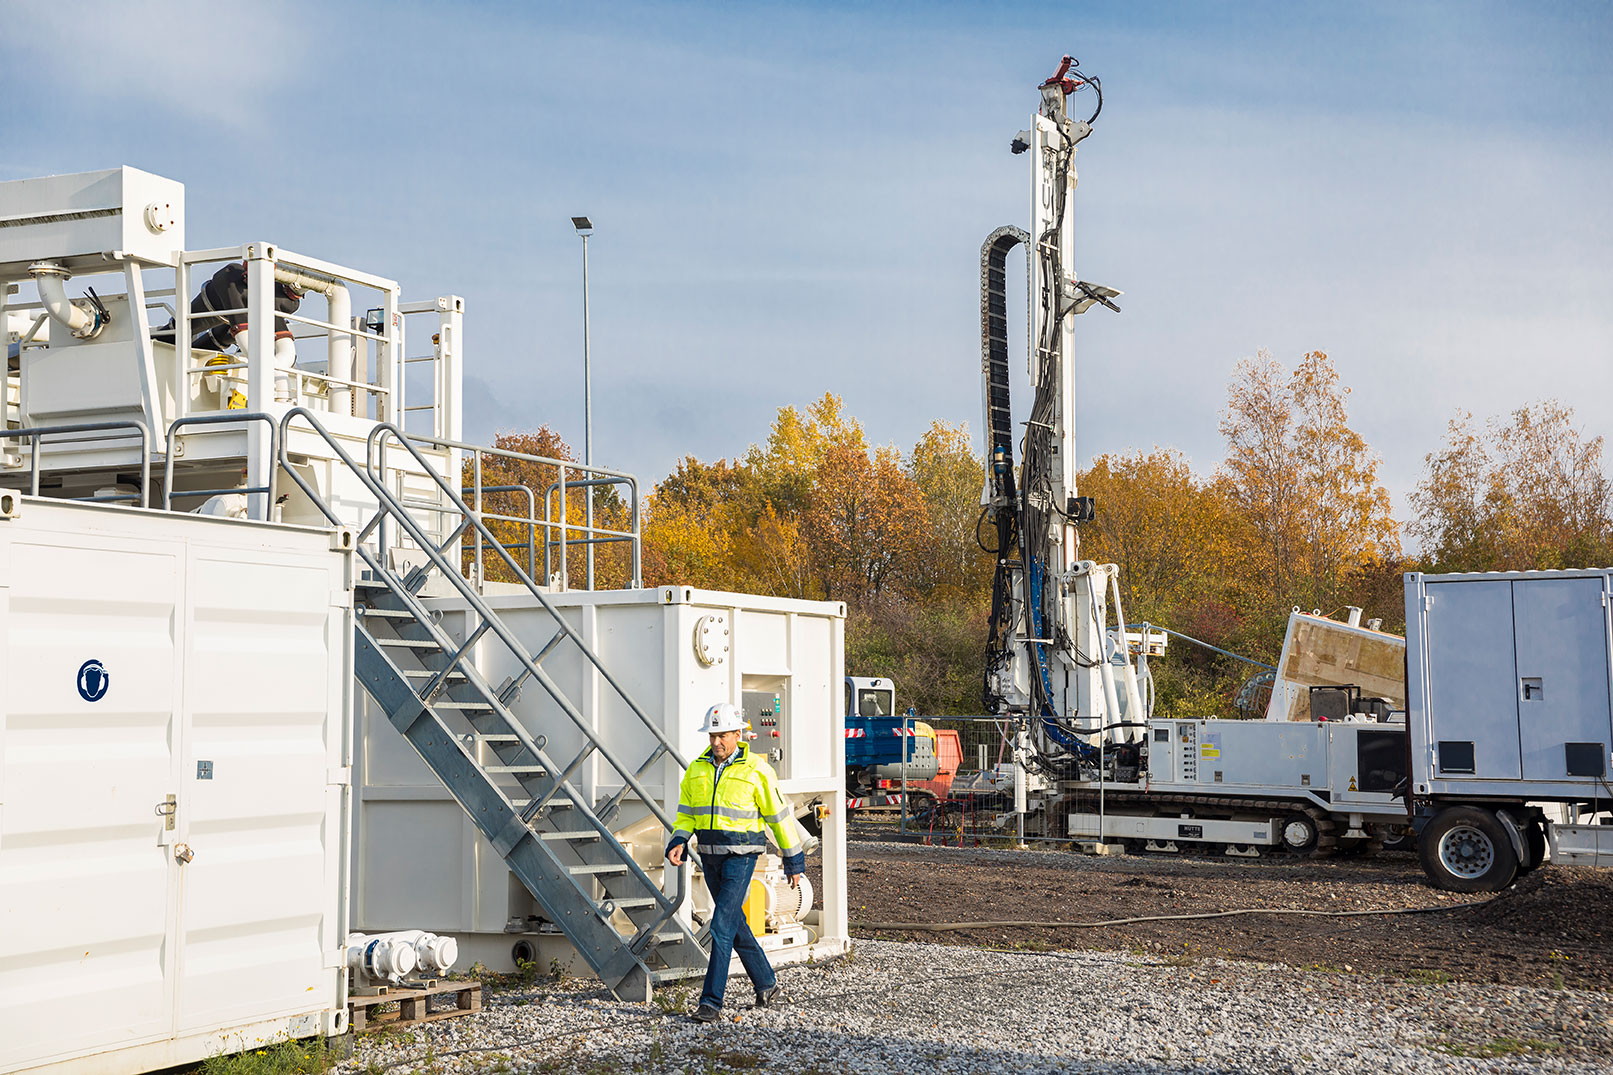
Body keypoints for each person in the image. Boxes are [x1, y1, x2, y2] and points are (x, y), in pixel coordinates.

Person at [666, 702, 804, 1023]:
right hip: (710, 857)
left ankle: (711, 1002)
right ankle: (767, 985)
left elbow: (779, 818)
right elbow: (687, 812)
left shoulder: (757, 770)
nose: (717, 742)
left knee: (721, 926)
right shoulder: (696, 769)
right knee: (736, 925)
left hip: (742, 857)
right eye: (713, 735)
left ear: (739, 734)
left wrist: (793, 859)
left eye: (724, 735)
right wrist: (678, 839)